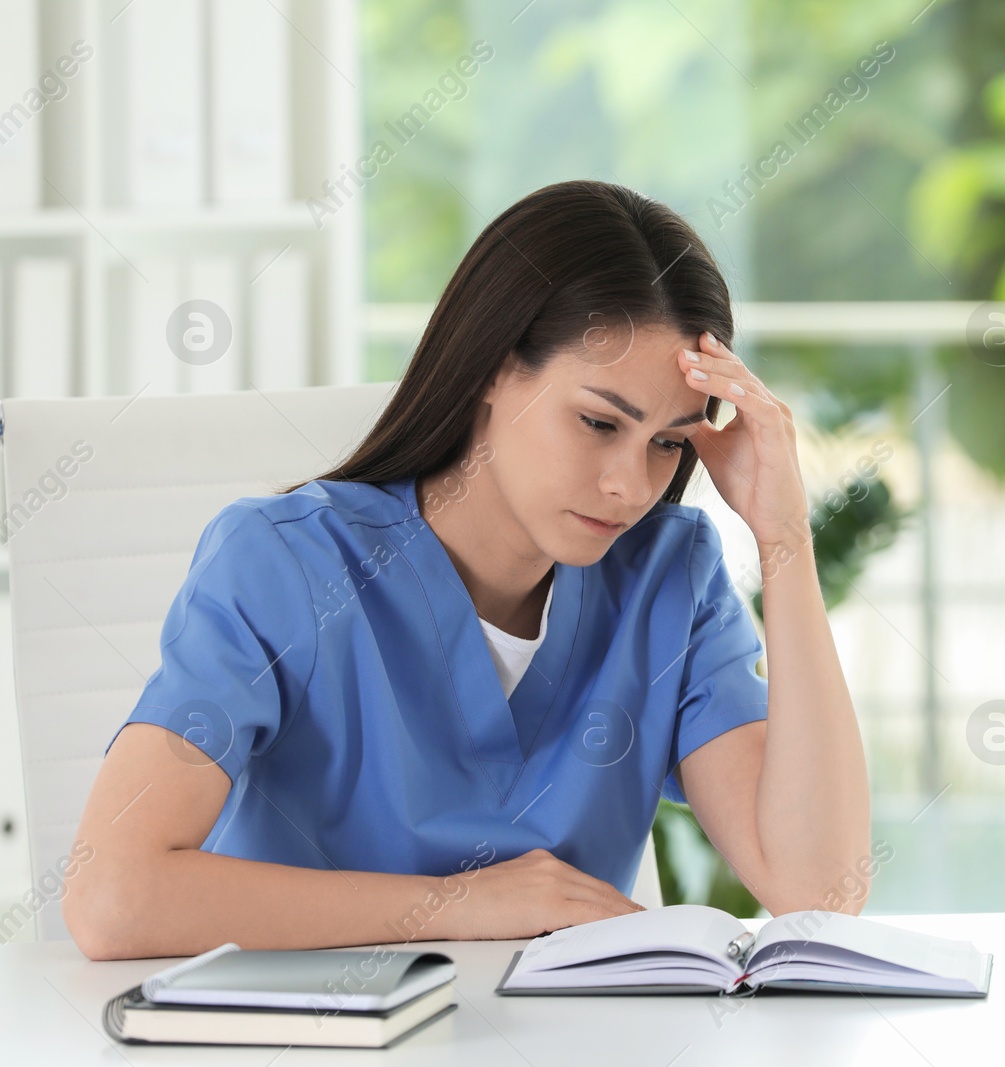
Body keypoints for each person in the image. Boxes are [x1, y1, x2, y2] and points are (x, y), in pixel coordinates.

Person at [63, 180, 872, 960]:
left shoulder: (670, 580)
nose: (630, 484)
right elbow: (111, 895)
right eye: (597, 421)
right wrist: (458, 906)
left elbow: (819, 888)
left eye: (668, 440)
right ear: (492, 367)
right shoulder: (283, 564)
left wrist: (783, 538)